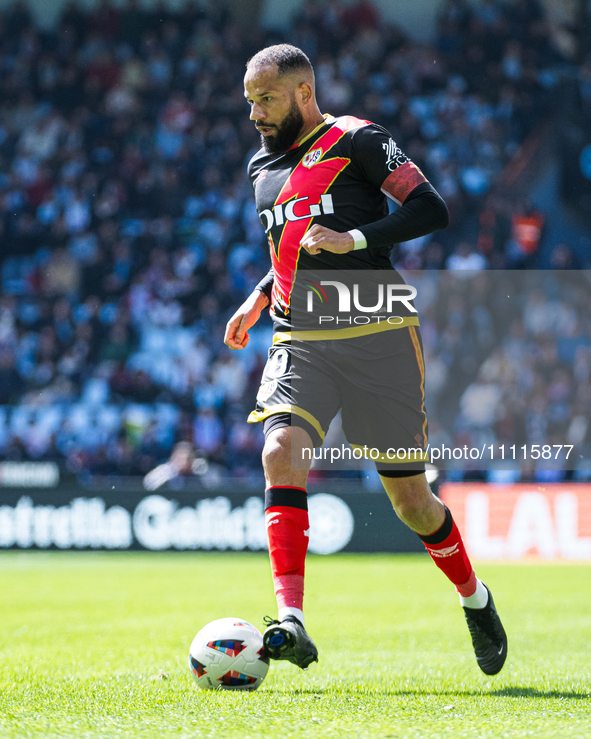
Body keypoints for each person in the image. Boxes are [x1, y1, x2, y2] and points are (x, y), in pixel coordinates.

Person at [224, 44, 507, 676]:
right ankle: (290, 620)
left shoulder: (357, 140)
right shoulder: (261, 167)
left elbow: (431, 208)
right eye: (249, 101)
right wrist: (257, 296)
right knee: (278, 449)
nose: (255, 115)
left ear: (303, 92)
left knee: (411, 502)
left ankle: (474, 596)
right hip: (301, 336)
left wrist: (354, 238)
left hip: (378, 333)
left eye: (265, 100)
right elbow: (288, 248)